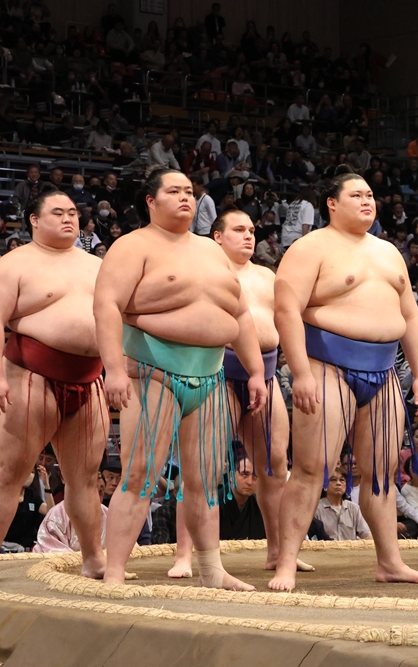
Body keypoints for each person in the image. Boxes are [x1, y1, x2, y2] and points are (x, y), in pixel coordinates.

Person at [94, 168, 268, 590]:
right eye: (173, 191)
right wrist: (114, 369)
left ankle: (211, 570)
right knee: (140, 474)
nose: (185, 198)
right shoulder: (133, 246)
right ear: (151, 201)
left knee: (206, 480)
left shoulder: (212, 252)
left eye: (190, 192)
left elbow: (240, 314)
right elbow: (106, 305)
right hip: (153, 370)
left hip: (210, 374)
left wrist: (257, 371)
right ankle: (114, 570)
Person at [270, 172, 418, 591]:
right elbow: (287, 310)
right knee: (311, 467)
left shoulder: (388, 252)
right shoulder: (310, 248)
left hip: (384, 370)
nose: (367, 201)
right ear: (331, 202)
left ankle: (390, 562)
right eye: (356, 195)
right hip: (327, 364)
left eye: (370, 195)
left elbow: (411, 315)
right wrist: (301, 372)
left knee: (380, 472)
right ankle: (287, 562)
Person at [0, 191, 109, 588]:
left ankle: (94, 558)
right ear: (33, 220)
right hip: (31, 375)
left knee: (85, 477)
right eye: (57, 213)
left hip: (90, 379)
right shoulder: (14, 266)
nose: (68, 219)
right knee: (11, 473)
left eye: (73, 214)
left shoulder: (98, 266)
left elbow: (117, 322)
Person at [166, 211, 293, 576]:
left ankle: (277, 551)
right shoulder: (204, 272)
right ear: (217, 237)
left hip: (266, 376)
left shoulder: (267, 275)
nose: (249, 236)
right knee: (201, 470)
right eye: (239, 230)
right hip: (218, 374)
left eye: (252, 231)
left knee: (275, 466)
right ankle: (185, 556)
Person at [219, 455, 266, 540]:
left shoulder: (260, 506)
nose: (250, 482)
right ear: (231, 476)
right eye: (244, 474)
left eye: (255, 476)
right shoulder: (214, 503)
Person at [314, 471, 371, 541]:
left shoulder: (354, 508)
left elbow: (366, 535)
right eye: (333, 480)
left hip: (350, 551)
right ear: (325, 484)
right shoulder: (316, 508)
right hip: (325, 550)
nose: (338, 483)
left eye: (342, 480)